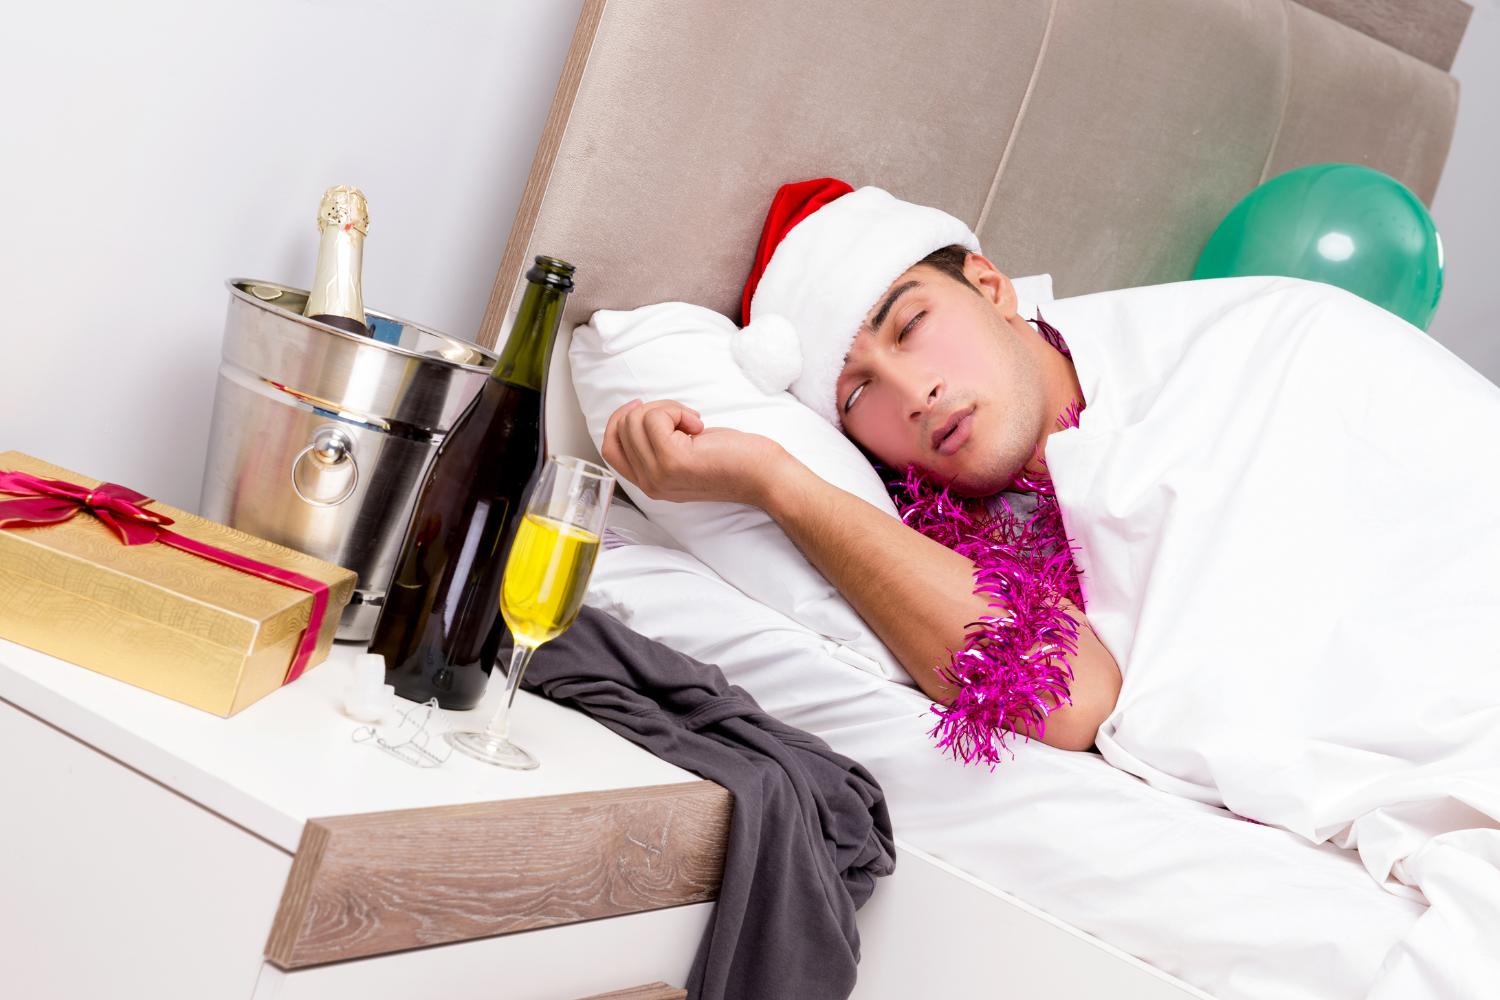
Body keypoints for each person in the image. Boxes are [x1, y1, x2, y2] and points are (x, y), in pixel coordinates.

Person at [601, 179, 1122, 753]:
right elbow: (1066, 693)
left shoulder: (1180, 364)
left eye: (911, 326)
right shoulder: (947, 535)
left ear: (990, 286)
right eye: (856, 394)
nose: (913, 396)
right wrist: (774, 481)